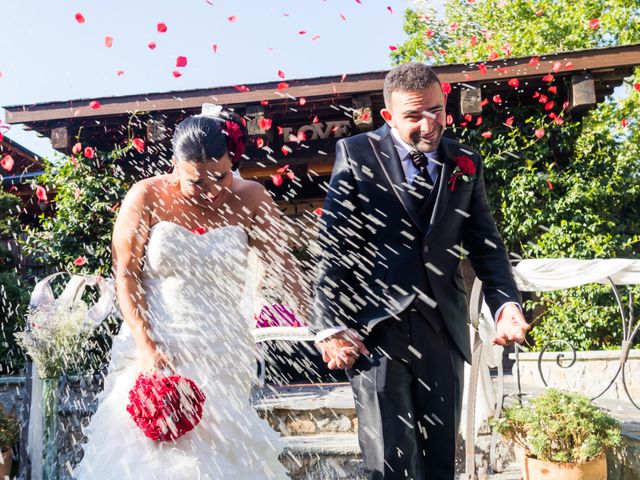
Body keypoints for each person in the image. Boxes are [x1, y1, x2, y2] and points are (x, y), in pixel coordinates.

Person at [311, 62, 530, 479]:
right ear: (389, 116)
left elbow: (486, 245)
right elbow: (333, 246)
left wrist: (505, 304)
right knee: (389, 462)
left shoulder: (465, 160)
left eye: (436, 110)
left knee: (440, 459)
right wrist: (328, 325)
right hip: (376, 334)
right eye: (414, 115)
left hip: (442, 332)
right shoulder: (357, 154)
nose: (429, 124)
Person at [74, 108, 308, 479]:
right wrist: (147, 346)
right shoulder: (147, 195)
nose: (212, 191)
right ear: (175, 165)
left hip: (223, 349)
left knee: (222, 454)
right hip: (159, 345)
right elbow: (127, 276)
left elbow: (285, 268)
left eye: (221, 176)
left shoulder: (252, 198)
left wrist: (321, 328)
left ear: (233, 160)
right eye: (197, 182)